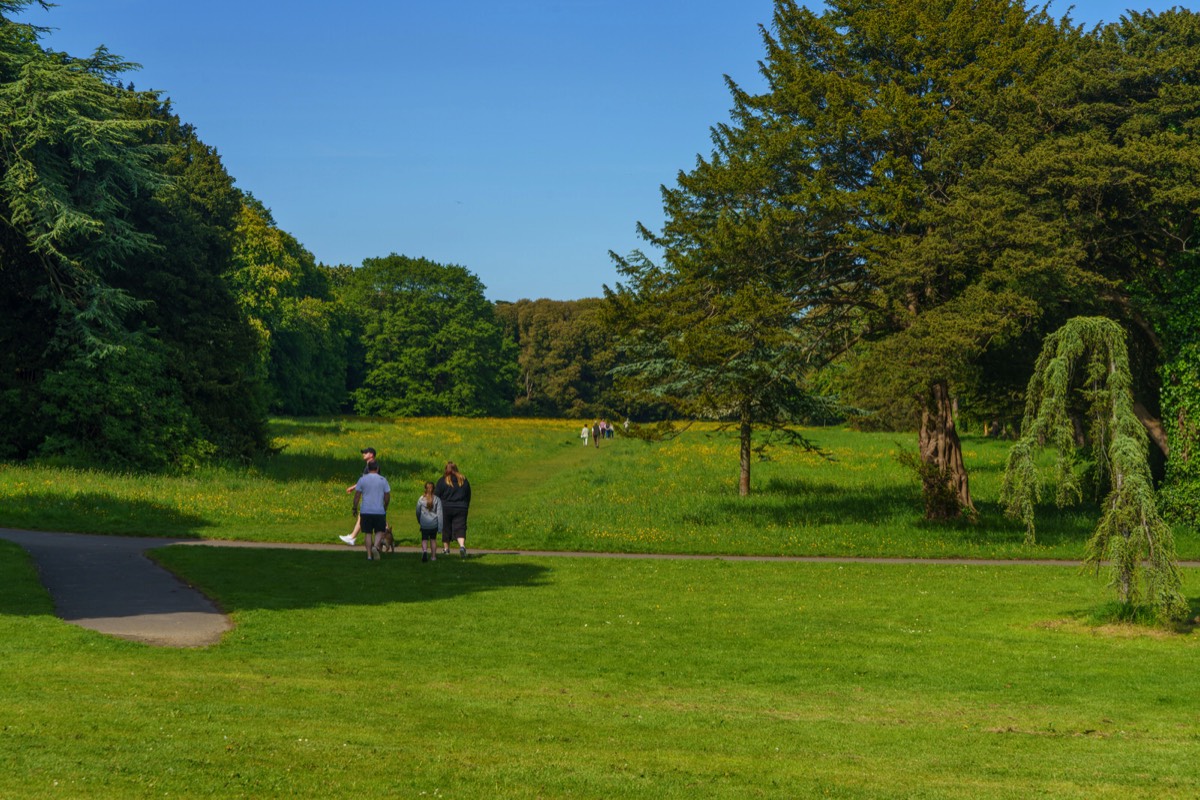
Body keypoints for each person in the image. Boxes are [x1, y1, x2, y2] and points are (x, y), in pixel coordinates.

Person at [352, 459, 391, 561]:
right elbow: (387, 496)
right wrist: (386, 505)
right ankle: (376, 546)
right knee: (379, 531)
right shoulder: (383, 480)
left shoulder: (362, 480)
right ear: (377, 468)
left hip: (366, 511)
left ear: (368, 469)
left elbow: (357, 496)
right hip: (379, 510)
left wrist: (354, 507)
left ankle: (369, 555)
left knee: (368, 533)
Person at [339, 447, 378, 546]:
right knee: (372, 516)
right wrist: (353, 487)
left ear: (371, 454)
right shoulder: (369, 465)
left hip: (371, 495)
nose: (363, 454)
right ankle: (352, 537)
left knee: (367, 516)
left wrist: (353, 488)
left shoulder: (372, 465)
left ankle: (352, 537)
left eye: (366, 452)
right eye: (363, 452)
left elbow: (368, 480)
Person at [434, 461, 472, 557]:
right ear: (456, 469)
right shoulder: (464, 480)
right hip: (461, 507)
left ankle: (446, 549)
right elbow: (468, 494)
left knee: (446, 528)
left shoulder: (442, 481)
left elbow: (436, 496)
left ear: (446, 470)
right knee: (460, 527)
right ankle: (462, 546)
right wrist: (466, 505)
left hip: (446, 507)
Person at [416, 481, 443, 563]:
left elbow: (417, 511)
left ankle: (424, 551)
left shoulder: (421, 499)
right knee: (433, 540)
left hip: (424, 523)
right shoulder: (437, 499)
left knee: (424, 539)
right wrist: (440, 527)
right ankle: (433, 557)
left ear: (425, 489)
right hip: (433, 524)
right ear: (434, 489)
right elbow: (440, 514)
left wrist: (419, 520)